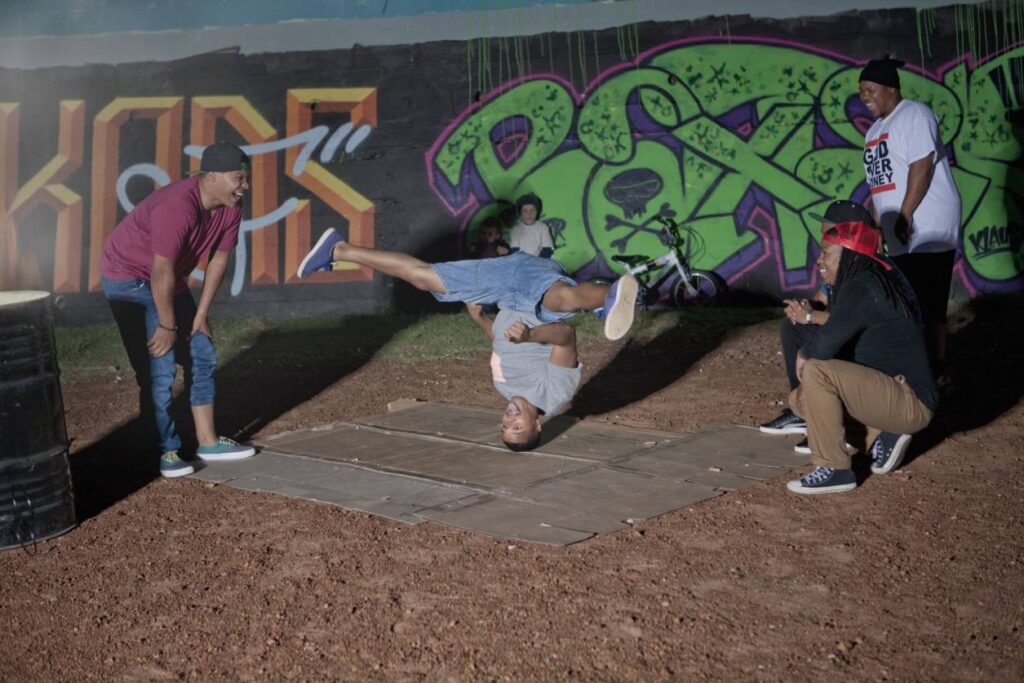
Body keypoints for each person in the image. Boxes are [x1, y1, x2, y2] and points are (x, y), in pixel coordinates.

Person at [297, 228, 639, 451]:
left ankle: (340, 250)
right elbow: (566, 337)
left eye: (505, 426)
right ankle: (610, 297)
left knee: (424, 279)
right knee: (559, 302)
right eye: (517, 426)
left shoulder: (505, 388)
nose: (509, 420)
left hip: (504, 293)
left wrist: (481, 320)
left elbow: (503, 343)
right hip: (533, 302)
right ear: (537, 424)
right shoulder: (555, 395)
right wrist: (532, 334)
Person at [99, 142, 257, 478]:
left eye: (246, 178)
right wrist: (168, 326)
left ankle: (208, 442)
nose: (245, 185)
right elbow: (160, 272)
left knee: (202, 350)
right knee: (161, 366)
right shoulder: (177, 206)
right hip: (128, 278)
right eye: (238, 178)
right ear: (211, 177)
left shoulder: (231, 205)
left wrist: (199, 315)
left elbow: (220, 259)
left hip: (169, 278)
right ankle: (167, 452)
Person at [786, 221, 938, 495]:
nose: (819, 261)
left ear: (849, 254)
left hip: (909, 399)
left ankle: (835, 469)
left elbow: (823, 347)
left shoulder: (863, 287)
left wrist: (803, 354)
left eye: (826, 253)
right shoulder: (865, 280)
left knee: (817, 372)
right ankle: (881, 433)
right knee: (799, 400)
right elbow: (835, 328)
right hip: (892, 391)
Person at [859, 57, 960, 387]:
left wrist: (904, 214)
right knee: (909, 299)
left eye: (870, 90)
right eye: (861, 92)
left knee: (926, 299)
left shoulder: (914, 114)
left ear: (891, 88)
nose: (865, 97)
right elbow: (880, 185)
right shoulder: (874, 131)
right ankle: (920, 367)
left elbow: (922, 167)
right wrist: (877, 225)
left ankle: (937, 370)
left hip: (927, 223)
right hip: (900, 227)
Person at [760, 200, 877, 454]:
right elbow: (822, 299)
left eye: (828, 224)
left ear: (847, 231)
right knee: (792, 327)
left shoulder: (862, 267)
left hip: (870, 352)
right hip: (849, 334)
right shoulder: (839, 261)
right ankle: (804, 410)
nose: (822, 228)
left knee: (818, 335)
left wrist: (810, 316)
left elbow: (849, 320)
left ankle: (832, 424)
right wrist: (802, 309)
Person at [507, 193, 554, 258]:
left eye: (532, 210)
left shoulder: (543, 228)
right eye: (525, 211)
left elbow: (547, 249)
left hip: (540, 263)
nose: (529, 214)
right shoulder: (516, 230)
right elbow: (515, 251)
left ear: (537, 212)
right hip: (521, 263)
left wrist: (536, 263)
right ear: (520, 213)